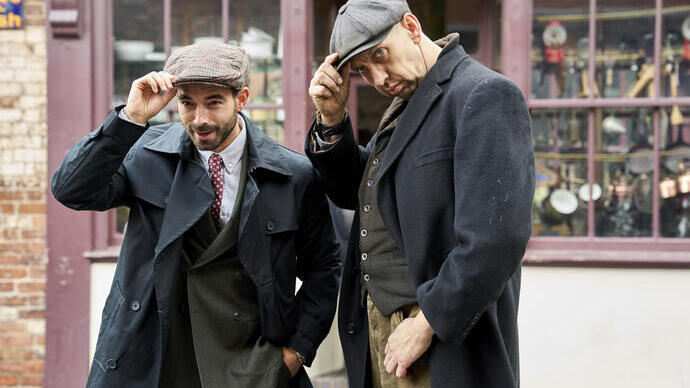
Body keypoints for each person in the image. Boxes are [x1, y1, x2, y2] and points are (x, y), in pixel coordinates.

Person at [52, 42, 341, 388]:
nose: (200, 119)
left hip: (250, 363)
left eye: (214, 102)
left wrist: (295, 352)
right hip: (155, 357)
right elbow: (71, 190)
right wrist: (130, 119)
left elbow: (325, 267)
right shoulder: (145, 152)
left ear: (242, 98)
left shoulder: (293, 174)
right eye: (187, 102)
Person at [305, 1, 535, 387]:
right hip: (381, 329)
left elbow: (496, 239)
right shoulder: (406, 101)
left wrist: (426, 323)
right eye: (362, 71)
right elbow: (363, 194)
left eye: (381, 56)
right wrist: (332, 120)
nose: (378, 78)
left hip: (440, 336)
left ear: (411, 27)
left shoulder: (484, 94)